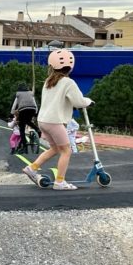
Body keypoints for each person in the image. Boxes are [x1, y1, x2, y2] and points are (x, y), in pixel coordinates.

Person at [22, 49, 93, 190]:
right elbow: (78, 102)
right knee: (66, 151)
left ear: (52, 65)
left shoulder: (48, 81)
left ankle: (32, 168)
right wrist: (89, 101)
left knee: (55, 148)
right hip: (55, 122)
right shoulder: (68, 82)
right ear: (71, 67)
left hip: (43, 120)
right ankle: (60, 182)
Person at [10, 83, 41, 154]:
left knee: (22, 129)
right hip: (32, 109)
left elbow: (14, 105)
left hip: (23, 110)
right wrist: (36, 112)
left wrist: (11, 114)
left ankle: (24, 146)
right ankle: (37, 129)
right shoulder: (30, 93)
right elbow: (34, 103)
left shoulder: (18, 94)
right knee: (28, 121)